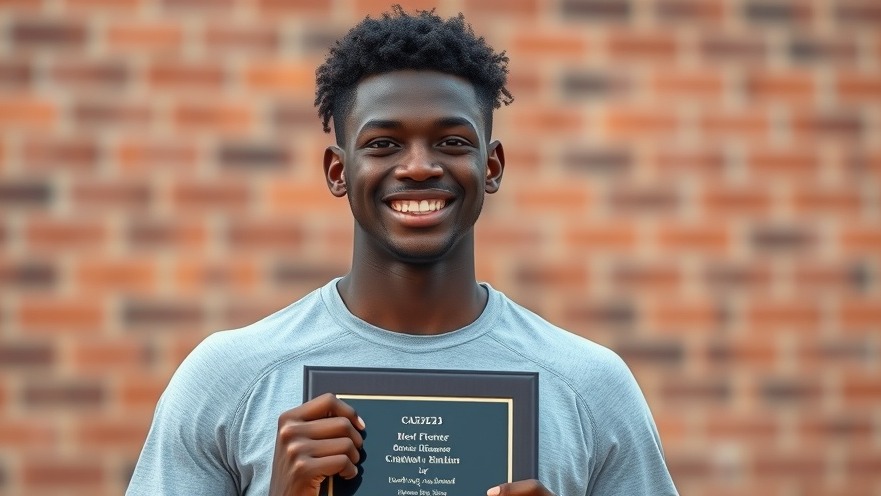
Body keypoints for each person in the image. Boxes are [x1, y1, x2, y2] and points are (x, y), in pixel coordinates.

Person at [126, 6, 678, 496]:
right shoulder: (229, 377)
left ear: (492, 168)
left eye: (452, 142)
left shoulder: (589, 385)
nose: (418, 167)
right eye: (383, 143)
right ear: (339, 171)